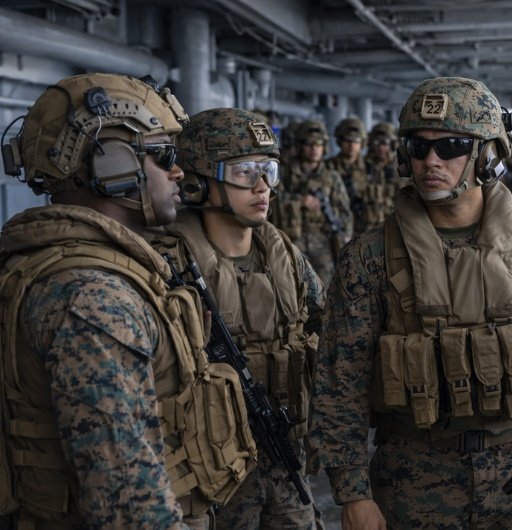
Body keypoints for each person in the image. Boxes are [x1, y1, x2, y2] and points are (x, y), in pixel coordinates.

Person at [309, 76, 512, 530]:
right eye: (418, 148)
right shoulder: (370, 257)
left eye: (451, 146)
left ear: (487, 154)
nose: (430, 162)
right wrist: (352, 493)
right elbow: (339, 384)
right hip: (411, 482)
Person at [0, 74, 256, 529]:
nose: (178, 172)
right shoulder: (94, 298)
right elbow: (129, 506)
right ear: (111, 165)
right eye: (163, 155)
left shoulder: (80, 269)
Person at [149, 108, 326, 530]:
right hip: (208, 473)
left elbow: (326, 332)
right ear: (197, 181)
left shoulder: (283, 254)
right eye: (245, 172)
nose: (263, 186)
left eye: (269, 170)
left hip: (284, 456)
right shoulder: (166, 262)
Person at [272, 119, 352, 286]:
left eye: (319, 144)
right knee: (289, 287)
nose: (314, 149)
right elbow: (270, 199)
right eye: (309, 144)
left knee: (325, 289)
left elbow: (345, 213)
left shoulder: (332, 177)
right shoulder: (285, 172)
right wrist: (299, 200)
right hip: (290, 239)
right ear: (300, 145)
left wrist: (342, 233)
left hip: (322, 243)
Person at [341, 121, 403, 237]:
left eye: (385, 143)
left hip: (394, 229)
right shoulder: (360, 166)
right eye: (376, 142)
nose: (380, 147)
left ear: (393, 144)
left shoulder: (402, 170)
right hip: (363, 229)